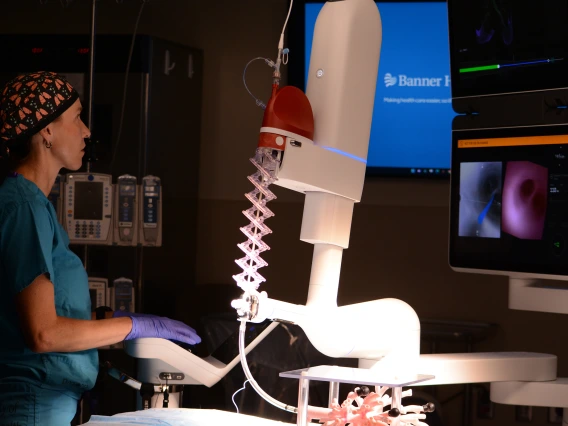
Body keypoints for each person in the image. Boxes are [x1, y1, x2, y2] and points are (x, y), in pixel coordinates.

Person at [0, 71, 201, 426]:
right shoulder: (23, 206)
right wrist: (132, 326)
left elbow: (33, 319)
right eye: (77, 117)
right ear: (46, 130)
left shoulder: (35, 205)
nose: (87, 131)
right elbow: (44, 334)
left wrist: (113, 325)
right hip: (30, 407)